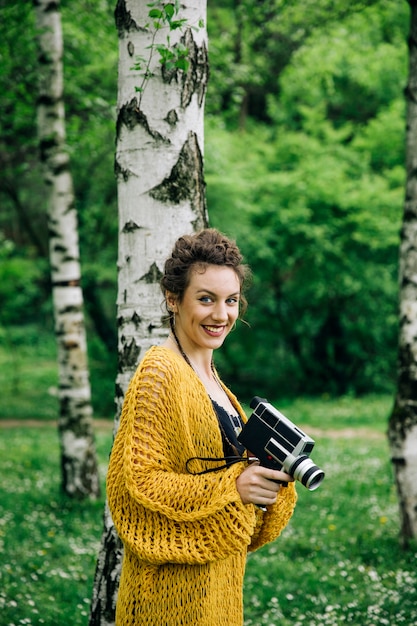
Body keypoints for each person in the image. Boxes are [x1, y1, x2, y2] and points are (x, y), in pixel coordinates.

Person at [107, 228, 297, 626]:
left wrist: (270, 479)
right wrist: (234, 485)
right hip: (167, 601)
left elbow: (234, 508)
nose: (221, 314)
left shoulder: (212, 379)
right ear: (173, 300)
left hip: (218, 590)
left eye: (230, 301)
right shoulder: (161, 372)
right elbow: (138, 486)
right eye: (206, 299)